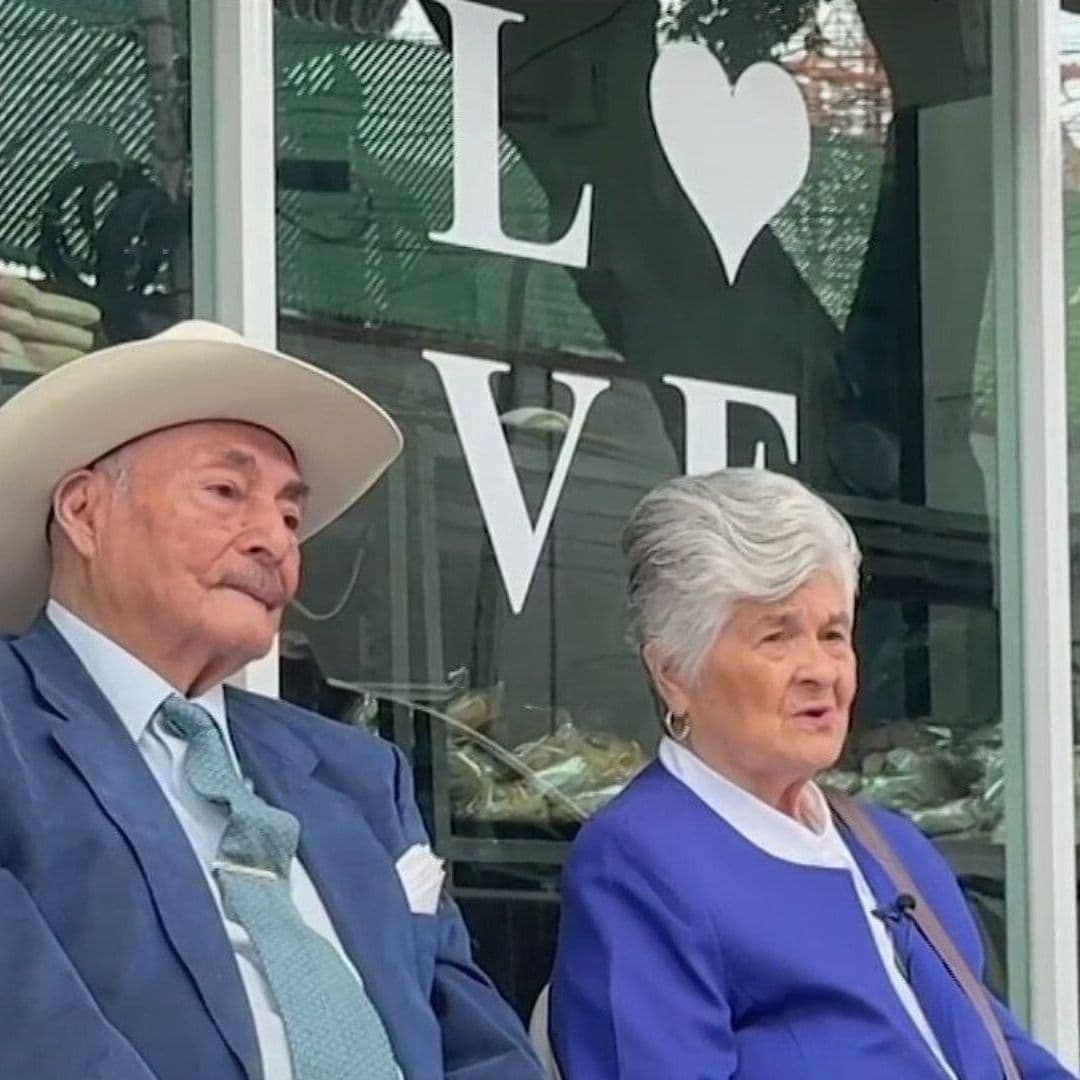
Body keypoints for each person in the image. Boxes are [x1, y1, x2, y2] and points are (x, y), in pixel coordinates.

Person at [0, 320, 544, 1080]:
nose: (276, 541)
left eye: (291, 515)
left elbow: (484, 1048)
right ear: (86, 513)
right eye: (225, 492)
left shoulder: (358, 774)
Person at [550, 468, 1073, 1079]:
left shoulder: (892, 846)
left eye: (833, 634)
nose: (821, 670)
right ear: (672, 672)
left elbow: (1005, 1054)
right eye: (778, 637)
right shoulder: (637, 864)